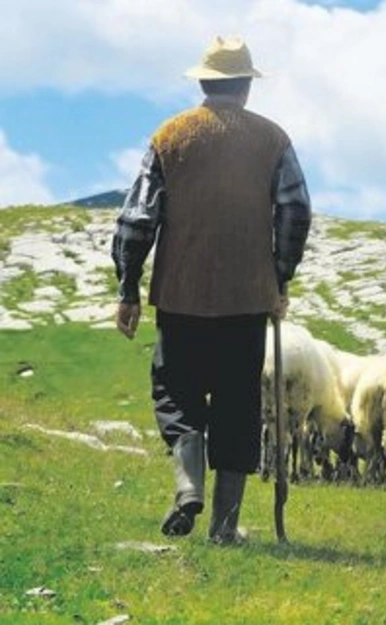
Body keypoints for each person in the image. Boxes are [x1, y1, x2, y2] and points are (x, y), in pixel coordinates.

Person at [111, 36, 312, 544]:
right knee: (238, 403)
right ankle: (224, 526)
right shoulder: (273, 140)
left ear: (204, 81)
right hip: (247, 297)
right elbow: (295, 211)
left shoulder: (170, 136)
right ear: (245, 86)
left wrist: (129, 288)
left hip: (181, 295)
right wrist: (279, 277)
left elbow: (137, 218)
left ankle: (187, 487)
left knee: (175, 393)